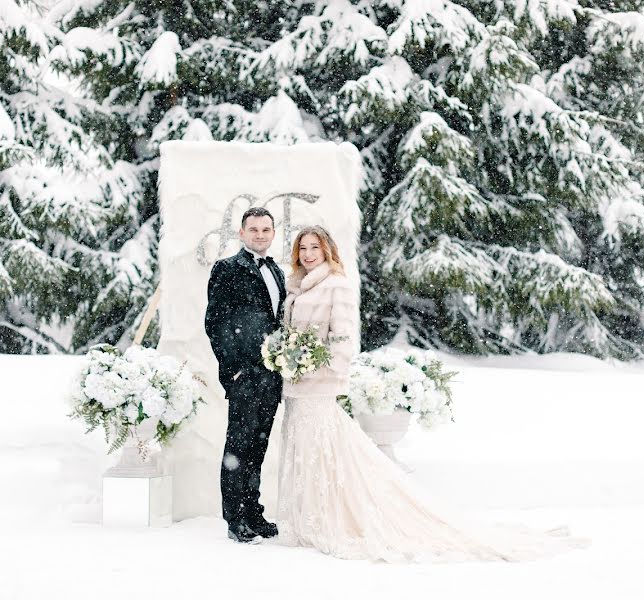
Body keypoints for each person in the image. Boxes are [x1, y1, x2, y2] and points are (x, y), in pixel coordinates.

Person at [276, 225, 587, 562]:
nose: (308, 254)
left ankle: (338, 519)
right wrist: (287, 358)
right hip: (294, 388)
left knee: (327, 452)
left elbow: (343, 340)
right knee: (303, 449)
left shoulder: (337, 285)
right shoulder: (295, 287)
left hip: (319, 386)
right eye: (302, 248)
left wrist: (316, 366)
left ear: (327, 251)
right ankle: (311, 518)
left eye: (314, 248)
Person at [204, 206, 286, 543]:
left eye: (266, 230)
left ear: (273, 233)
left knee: (259, 447)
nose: (260, 235)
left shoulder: (278, 271)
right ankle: (234, 518)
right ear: (241, 233)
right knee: (237, 447)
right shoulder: (226, 269)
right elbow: (215, 324)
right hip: (244, 376)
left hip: (272, 377)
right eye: (253, 230)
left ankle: (254, 512)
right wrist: (232, 371)